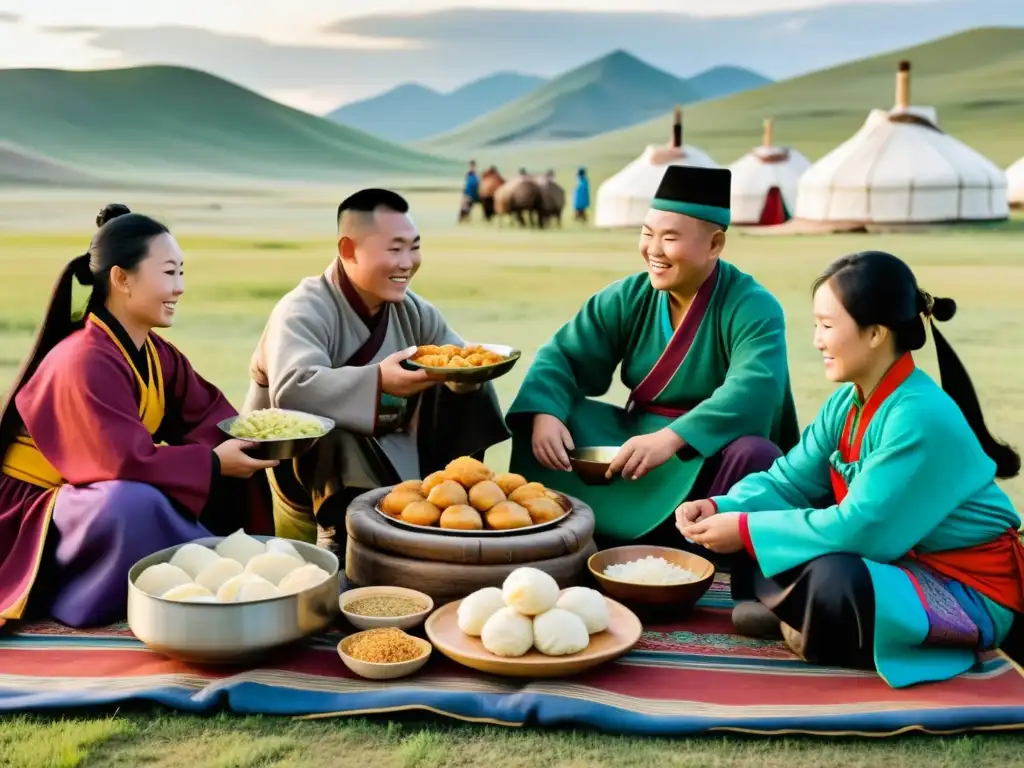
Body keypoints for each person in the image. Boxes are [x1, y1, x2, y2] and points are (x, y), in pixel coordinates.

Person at [678, 251, 1023, 688]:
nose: (818, 340)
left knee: (832, 577)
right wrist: (719, 505)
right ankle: (802, 615)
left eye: (826, 325)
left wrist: (746, 530)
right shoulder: (848, 402)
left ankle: (809, 621)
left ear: (875, 333)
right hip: (896, 562)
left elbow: (860, 530)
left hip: (964, 588)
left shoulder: (918, 416)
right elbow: (789, 480)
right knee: (777, 534)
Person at [0, 205, 276, 629]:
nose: (180, 287)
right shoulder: (83, 359)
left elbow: (210, 416)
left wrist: (260, 441)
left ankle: (237, 568)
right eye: (168, 273)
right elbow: (119, 463)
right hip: (32, 511)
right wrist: (216, 462)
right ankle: (226, 576)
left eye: (182, 272)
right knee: (131, 502)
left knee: (227, 470)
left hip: (85, 497)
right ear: (121, 279)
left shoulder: (155, 353)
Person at [506, 165, 799, 544]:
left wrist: (672, 438)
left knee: (755, 453)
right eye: (647, 234)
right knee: (566, 415)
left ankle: (702, 544)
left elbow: (756, 387)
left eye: (670, 238)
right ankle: (561, 530)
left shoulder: (753, 306)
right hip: (638, 444)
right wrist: (546, 412)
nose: (653, 250)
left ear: (714, 244)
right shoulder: (628, 296)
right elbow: (562, 355)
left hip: (708, 453)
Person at [244, 188, 509, 557]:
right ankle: (342, 536)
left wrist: (468, 377)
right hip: (305, 464)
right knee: (332, 428)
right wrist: (380, 381)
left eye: (414, 247)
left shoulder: (414, 311)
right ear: (349, 250)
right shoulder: (302, 308)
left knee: (467, 389)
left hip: (399, 442)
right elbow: (292, 388)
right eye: (394, 249)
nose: (407, 262)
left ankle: (452, 499)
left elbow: (457, 357)